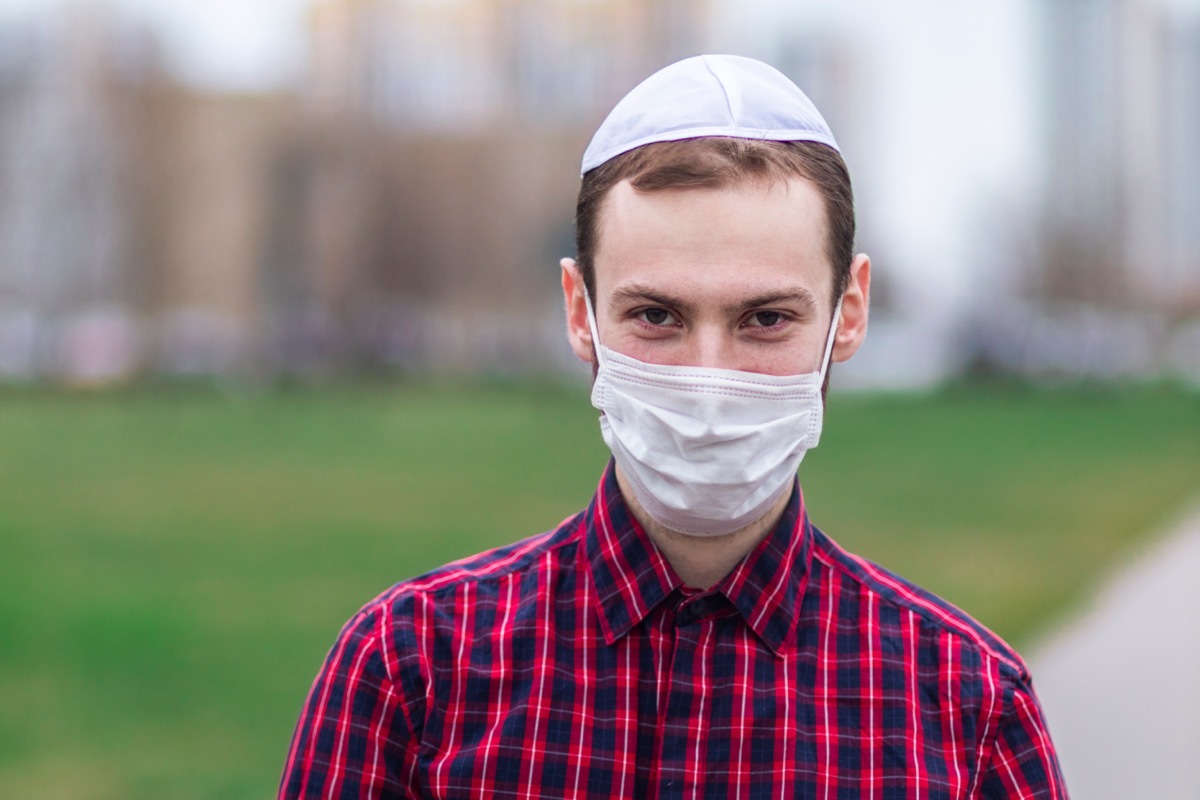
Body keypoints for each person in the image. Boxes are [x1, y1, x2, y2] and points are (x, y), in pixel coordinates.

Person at [279, 54, 1067, 799]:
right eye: (656, 315)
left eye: (765, 318)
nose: (708, 377)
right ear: (579, 312)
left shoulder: (969, 713)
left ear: (847, 314)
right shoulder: (411, 675)